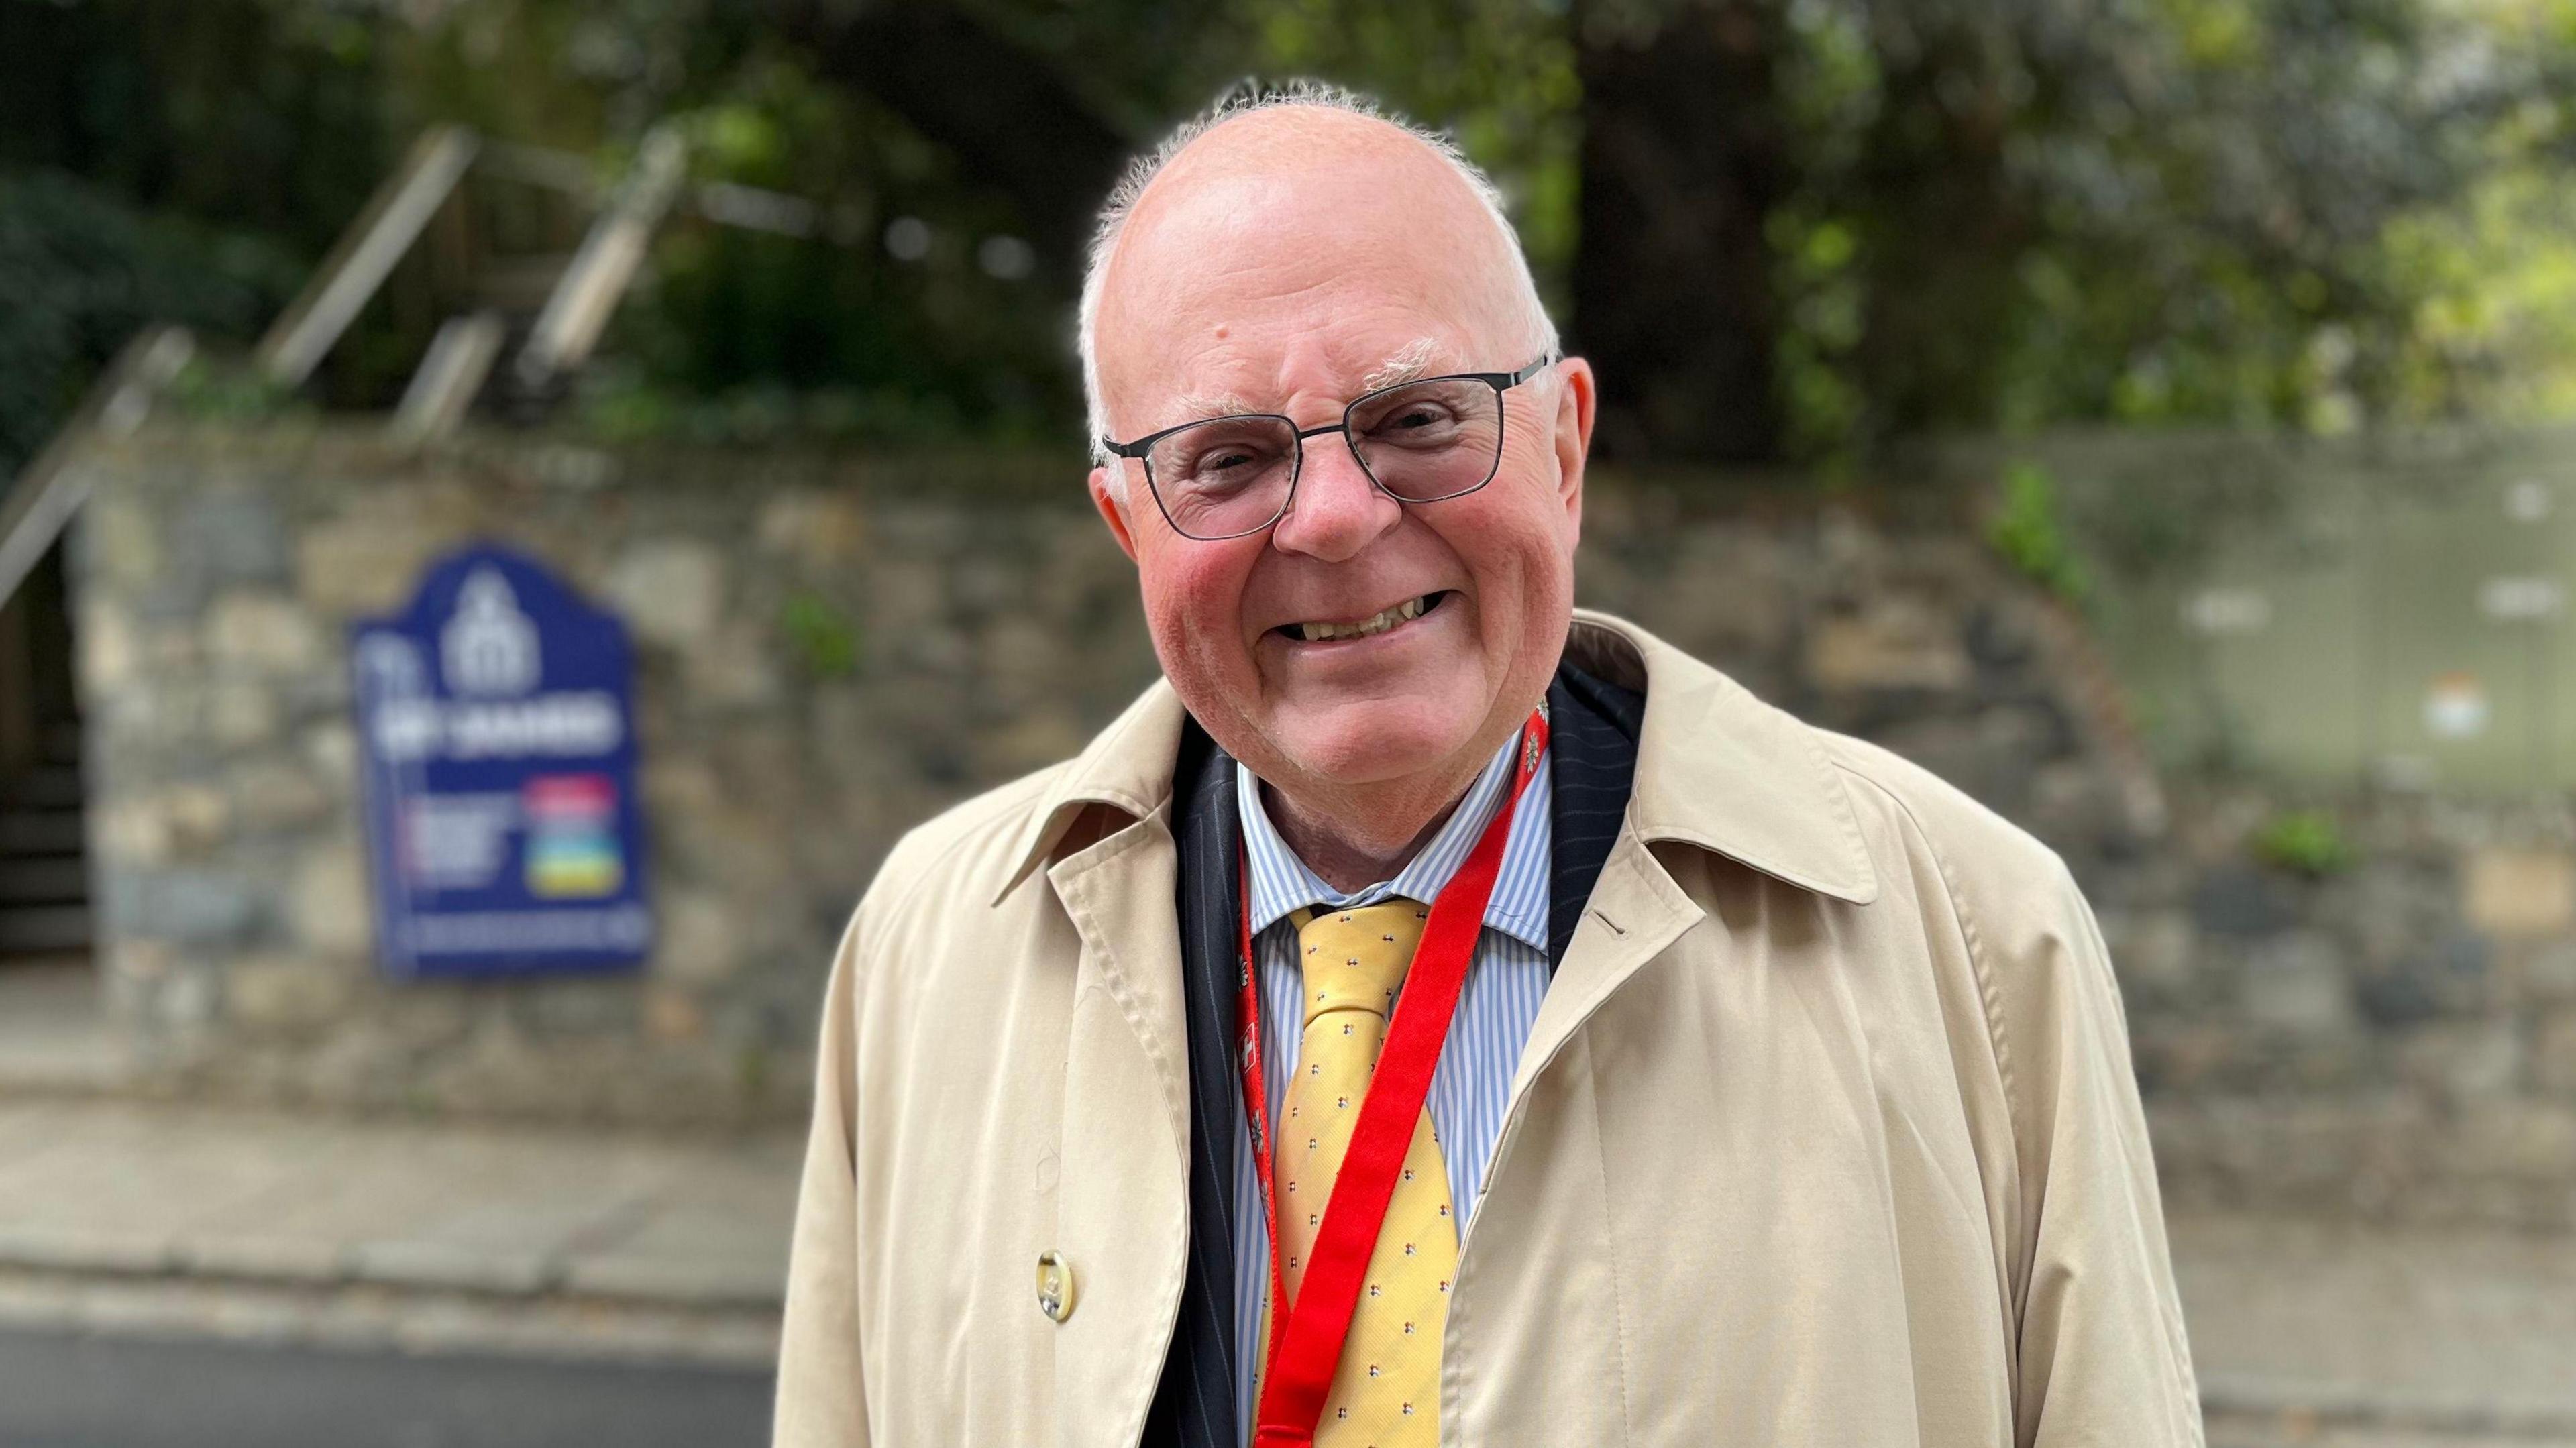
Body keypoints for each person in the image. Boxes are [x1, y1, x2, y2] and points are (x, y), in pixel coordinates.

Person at [773, 82, 2202, 1448]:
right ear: (1127, 525)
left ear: (1565, 446)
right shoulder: (929, 946)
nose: (1332, 519)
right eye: (1226, 459)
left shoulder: (1972, 937)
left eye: (1417, 420)